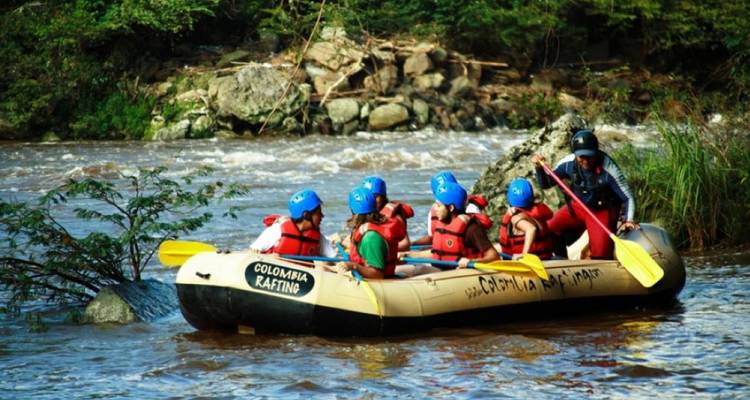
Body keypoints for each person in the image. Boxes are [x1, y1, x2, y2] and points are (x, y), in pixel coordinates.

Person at [531, 129, 639, 259]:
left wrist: (628, 220)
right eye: (582, 157)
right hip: (578, 207)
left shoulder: (609, 169)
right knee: (549, 229)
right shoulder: (568, 163)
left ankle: (595, 252)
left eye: (590, 156)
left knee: (601, 255)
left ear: (596, 153)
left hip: (601, 211)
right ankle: (562, 261)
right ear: (575, 155)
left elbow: (627, 197)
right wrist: (539, 168)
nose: (586, 161)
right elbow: (546, 184)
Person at [336, 187, 402, 279]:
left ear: (352, 210)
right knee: (324, 267)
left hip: (382, 282)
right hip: (370, 276)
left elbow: (377, 275)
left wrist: (353, 266)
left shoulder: (370, 238)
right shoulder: (365, 230)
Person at [412, 170, 492, 246]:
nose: (436, 207)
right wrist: (412, 244)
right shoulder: (436, 210)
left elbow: (478, 239)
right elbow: (432, 238)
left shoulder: (470, 213)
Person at [249, 189, 337, 258]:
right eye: (318, 213)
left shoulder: (318, 238)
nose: (322, 216)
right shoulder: (278, 230)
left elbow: (333, 258)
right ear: (306, 215)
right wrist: (268, 257)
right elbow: (252, 252)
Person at [431, 182, 499, 268]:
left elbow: (494, 257)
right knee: (417, 270)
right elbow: (436, 253)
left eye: (439, 205)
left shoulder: (472, 229)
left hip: (461, 273)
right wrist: (412, 254)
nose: (435, 209)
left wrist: (471, 261)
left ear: (451, 208)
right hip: (444, 270)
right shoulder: (445, 224)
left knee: (419, 270)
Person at [498, 178, 554, 260]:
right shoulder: (535, 213)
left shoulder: (515, 217)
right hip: (545, 258)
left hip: (528, 263)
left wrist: (524, 254)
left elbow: (531, 229)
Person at [361, 175, 414, 251]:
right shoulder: (366, 213)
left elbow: (405, 244)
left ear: (383, 197)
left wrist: (377, 250)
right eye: (368, 196)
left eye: (375, 196)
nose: (372, 200)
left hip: (387, 258)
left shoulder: (393, 216)